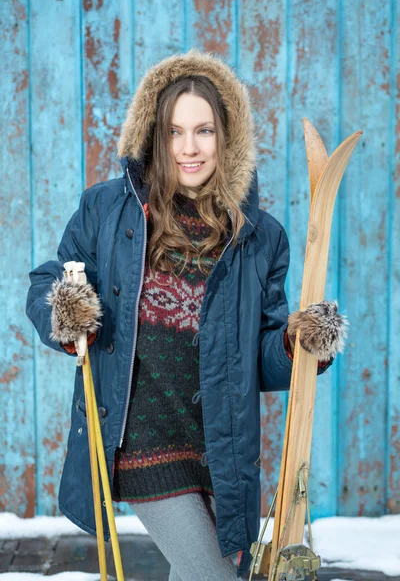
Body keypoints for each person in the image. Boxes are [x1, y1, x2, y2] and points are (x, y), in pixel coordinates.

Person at [26, 48, 348, 580]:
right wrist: (65, 312)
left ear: (228, 137)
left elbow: (263, 359)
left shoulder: (259, 238)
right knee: (212, 576)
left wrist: (297, 343)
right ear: (156, 135)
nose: (189, 148)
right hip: (140, 441)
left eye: (204, 131)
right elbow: (48, 280)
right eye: (175, 132)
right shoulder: (109, 210)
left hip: (219, 449)